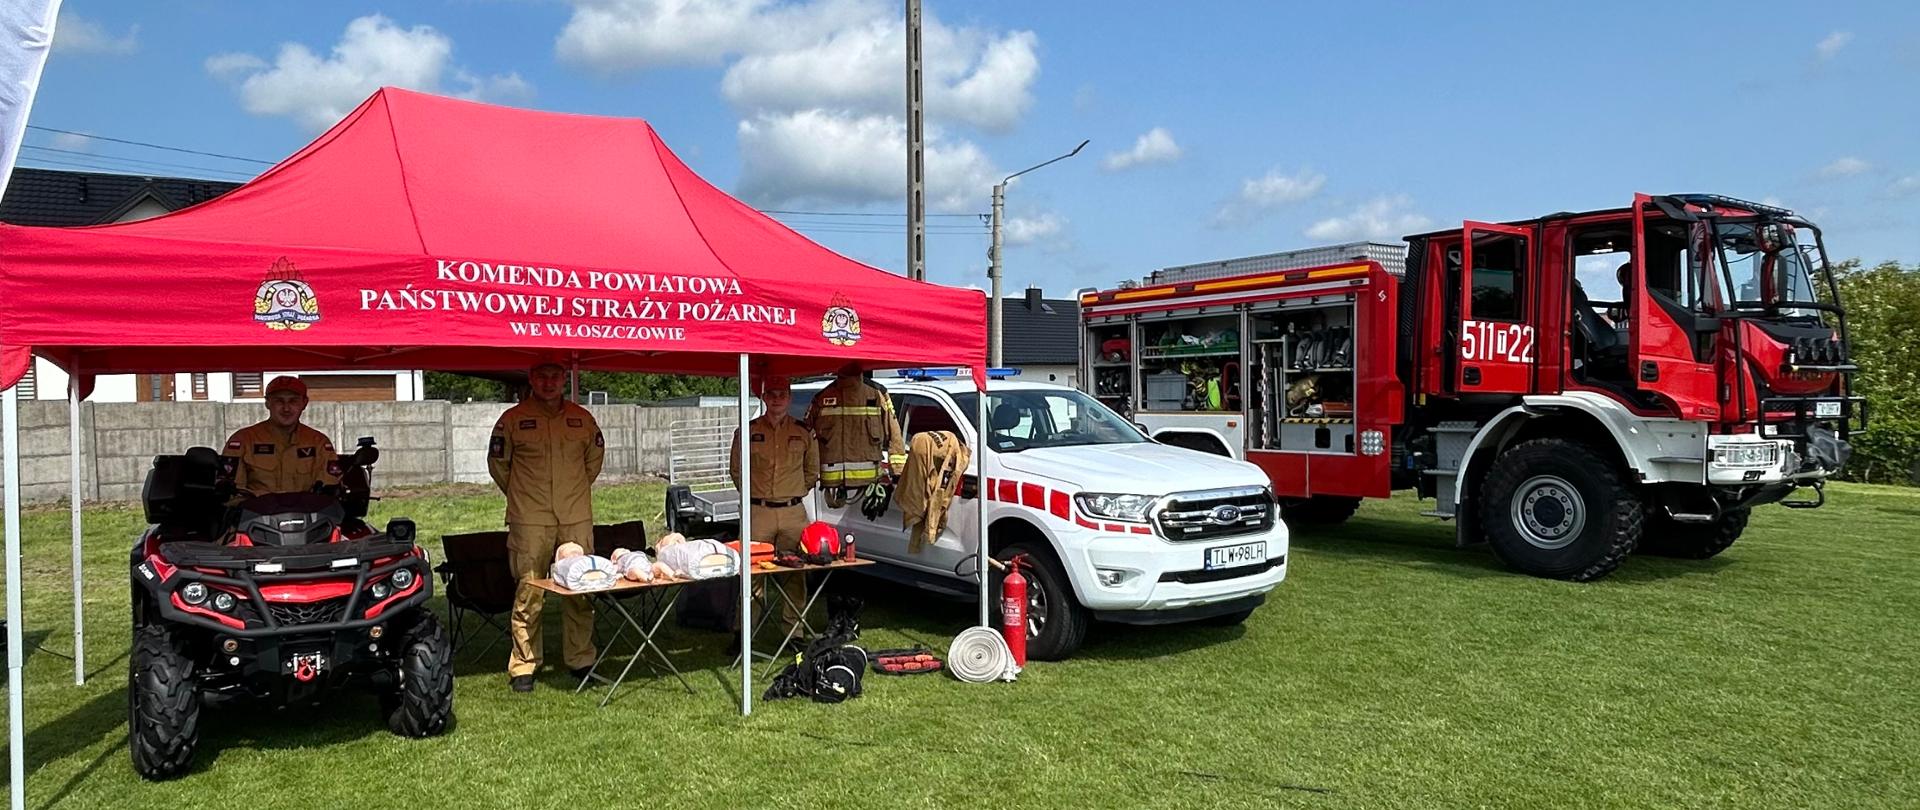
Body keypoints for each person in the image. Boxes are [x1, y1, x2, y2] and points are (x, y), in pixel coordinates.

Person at [489, 362, 605, 693]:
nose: (549, 383)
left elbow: (593, 462)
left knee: (581, 589)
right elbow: (499, 465)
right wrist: (524, 496)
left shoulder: (582, 419)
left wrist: (572, 491)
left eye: (555, 376)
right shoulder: (512, 420)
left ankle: (580, 659)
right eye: (542, 376)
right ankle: (524, 665)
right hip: (530, 519)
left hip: (574, 516)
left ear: (564, 379)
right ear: (531, 379)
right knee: (529, 591)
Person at [729, 374, 820, 634]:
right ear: (764, 397)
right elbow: (736, 471)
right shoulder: (747, 431)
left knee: (795, 575)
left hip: (793, 513)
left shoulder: (803, 432)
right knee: (752, 574)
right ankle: (744, 634)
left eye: (782, 395)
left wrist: (794, 492)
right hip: (759, 513)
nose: (777, 400)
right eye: (772, 395)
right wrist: (755, 495)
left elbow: (812, 471)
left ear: (789, 398)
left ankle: (794, 632)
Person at [218, 376, 339, 496]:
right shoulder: (243, 440)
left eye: (293, 401)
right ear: (268, 403)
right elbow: (231, 493)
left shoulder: (318, 443)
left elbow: (329, 491)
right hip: (258, 508)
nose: (286, 408)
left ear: (304, 403)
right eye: (279, 401)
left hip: (307, 508)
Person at [806, 363, 906, 506]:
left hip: (870, 488)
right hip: (831, 487)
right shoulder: (822, 397)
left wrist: (897, 472)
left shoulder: (876, 394)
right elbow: (805, 438)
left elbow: (894, 433)